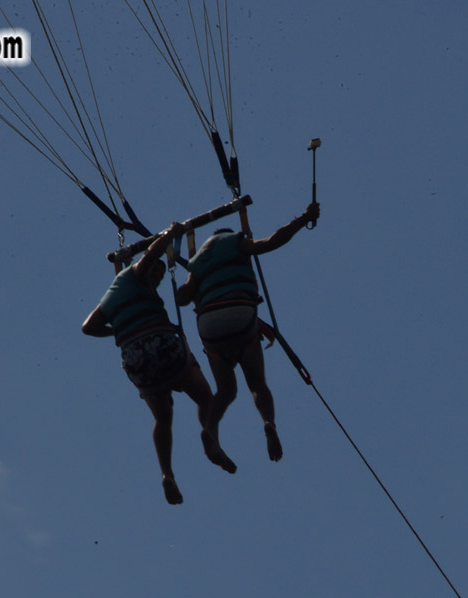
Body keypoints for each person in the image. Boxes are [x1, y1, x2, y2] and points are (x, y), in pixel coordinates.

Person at [82, 222, 236, 504]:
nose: (158, 277)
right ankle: (210, 439)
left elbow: (88, 328)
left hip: (137, 364)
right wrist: (169, 234)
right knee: (205, 397)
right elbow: (150, 256)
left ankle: (167, 474)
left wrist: (120, 330)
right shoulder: (135, 274)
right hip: (162, 347)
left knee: (162, 417)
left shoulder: (111, 296)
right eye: (157, 272)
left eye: (161, 276)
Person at [175, 202, 319, 462]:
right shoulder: (236, 242)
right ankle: (268, 423)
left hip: (210, 327)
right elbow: (273, 241)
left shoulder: (197, 261)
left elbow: (183, 298)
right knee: (257, 384)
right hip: (239, 315)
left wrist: (177, 277)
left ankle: (210, 430)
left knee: (226, 392)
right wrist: (302, 219)